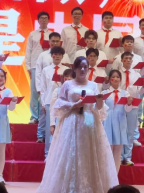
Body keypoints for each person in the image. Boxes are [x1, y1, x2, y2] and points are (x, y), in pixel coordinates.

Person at [37, 56, 118, 193]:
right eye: (80, 67)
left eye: (85, 67)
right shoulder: (67, 84)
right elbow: (59, 103)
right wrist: (73, 105)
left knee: (90, 153)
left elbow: (98, 108)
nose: (82, 69)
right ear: (74, 68)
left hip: (89, 121)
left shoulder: (93, 85)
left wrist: (99, 101)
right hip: (71, 121)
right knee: (70, 153)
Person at [102, 69, 134, 173]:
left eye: (117, 77)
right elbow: (100, 109)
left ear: (120, 79)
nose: (115, 79)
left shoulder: (125, 93)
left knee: (117, 152)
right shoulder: (104, 93)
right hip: (108, 122)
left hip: (120, 122)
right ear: (109, 79)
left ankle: (115, 176)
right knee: (108, 151)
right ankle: (108, 176)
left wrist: (129, 104)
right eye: (113, 77)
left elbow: (127, 110)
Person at [25, 11, 52, 130]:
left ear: (48, 20)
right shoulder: (32, 34)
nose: (44, 20)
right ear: (38, 20)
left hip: (48, 65)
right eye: (41, 18)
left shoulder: (51, 35)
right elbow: (28, 50)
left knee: (46, 90)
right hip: (35, 66)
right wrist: (28, 66)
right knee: (35, 92)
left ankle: (45, 115)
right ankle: (34, 116)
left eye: (46, 18)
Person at [40, 46, 68, 158]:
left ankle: (61, 155)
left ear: (62, 56)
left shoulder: (66, 70)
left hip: (64, 102)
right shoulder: (46, 70)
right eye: (55, 54)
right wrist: (43, 103)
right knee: (50, 129)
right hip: (49, 101)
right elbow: (43, 88)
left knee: (62, 129)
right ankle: (48, 154)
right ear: (51, 56)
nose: (57, 56)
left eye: (59, 55)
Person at [49, 69, 75, 140]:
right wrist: (52, 124)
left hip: (73, 121)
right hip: (60, 121)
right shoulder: (57, 91)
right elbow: (52, 109)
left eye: (71, 77)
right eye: (67, 76)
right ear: (63, 78)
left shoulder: (77, 92)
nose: (69, 78)